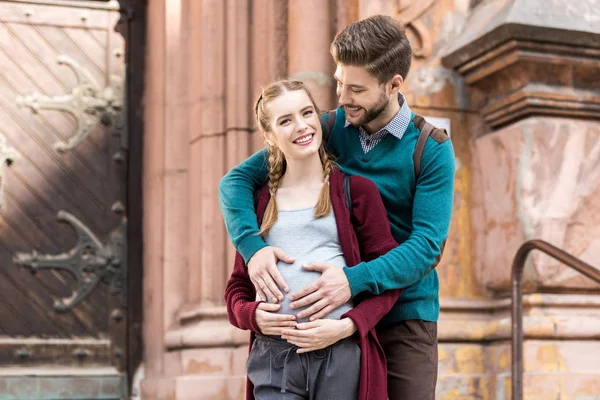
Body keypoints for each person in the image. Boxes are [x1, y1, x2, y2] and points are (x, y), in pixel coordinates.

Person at [220, 15, 455, 400]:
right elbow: (235, 182)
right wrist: (254, 248)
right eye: (339, 83)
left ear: (394, 84)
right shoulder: (325, 127)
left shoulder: (430, 149)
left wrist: (352, 281)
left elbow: (426, 247)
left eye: (356, 89)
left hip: (403, 315)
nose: (342, 97)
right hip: (326, 326)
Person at [224, 79, 402, 400]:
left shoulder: (357, 192)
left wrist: (348, 326)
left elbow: (389, 281)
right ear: (269, 136)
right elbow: (236, 288)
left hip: (339, 353)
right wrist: (252, 317)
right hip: (275, 358)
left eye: (306, 113)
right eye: (285, 120)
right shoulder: (258, 203)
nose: (301, 126)